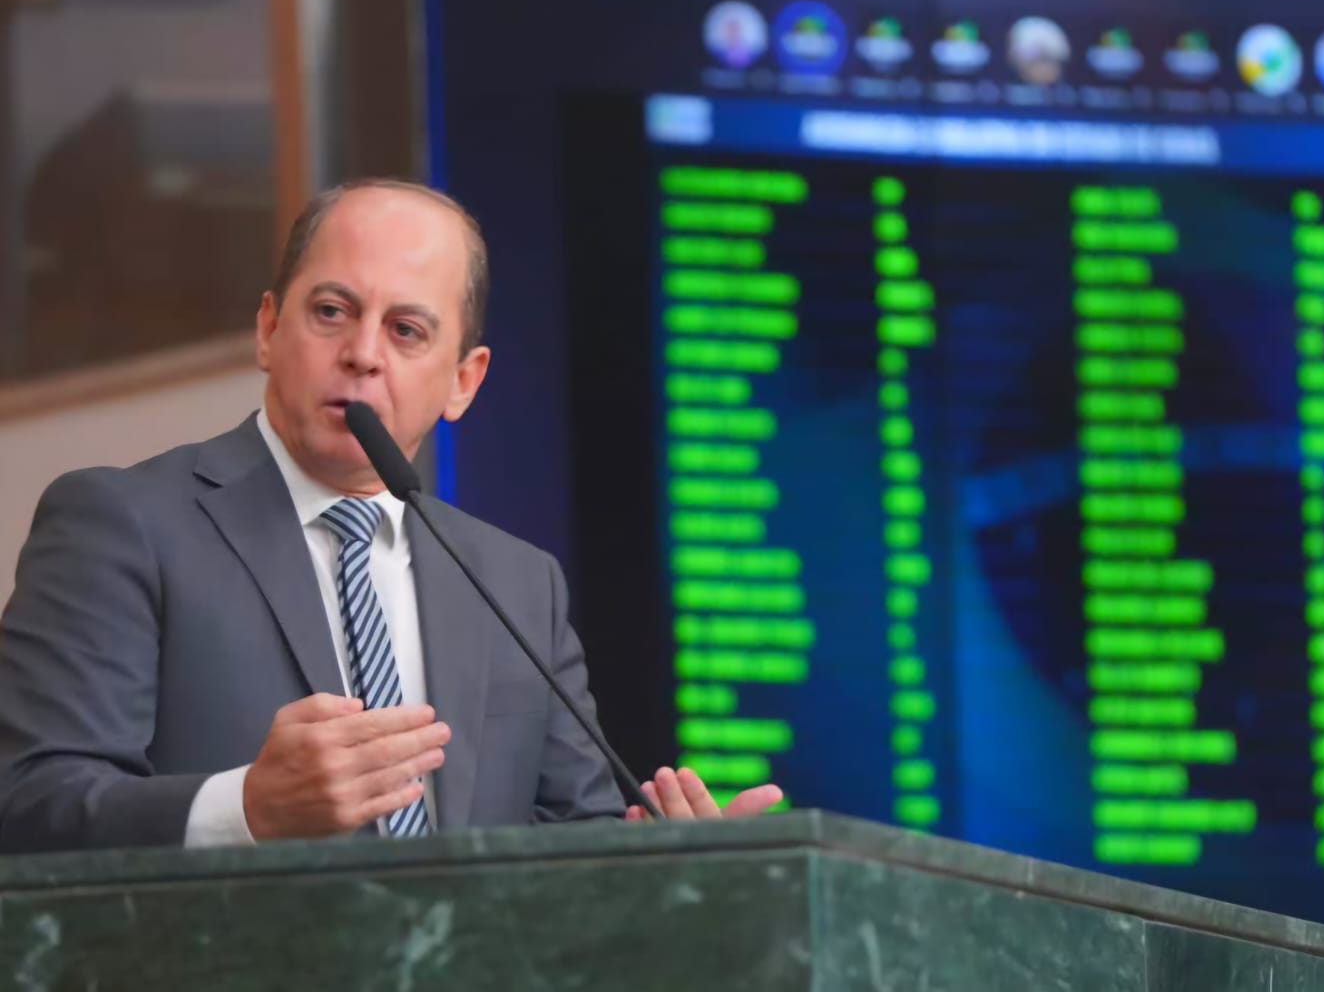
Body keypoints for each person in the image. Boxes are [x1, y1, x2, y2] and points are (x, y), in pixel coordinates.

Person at [0, 179, 782, 852]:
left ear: (463, 382)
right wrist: (246, 808)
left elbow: (572, 837)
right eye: (331, 311)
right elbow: (29, 801)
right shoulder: (122, 524)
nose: (363, 353)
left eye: (406, 330)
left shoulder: (517, 583)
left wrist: (663, 866)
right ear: (269, 329)